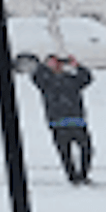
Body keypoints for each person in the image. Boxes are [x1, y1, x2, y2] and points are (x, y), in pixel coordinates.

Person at [31, 53, 94, 184]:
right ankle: (72, 176)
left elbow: (87, 78)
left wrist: (76, 65)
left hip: (77, 121)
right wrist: (45, 66)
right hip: (58, 122)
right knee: (65, 153)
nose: (58, 66)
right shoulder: (46, 81)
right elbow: (35, 77)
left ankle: (83, 174)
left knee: (86, 149)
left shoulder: (71, 79)